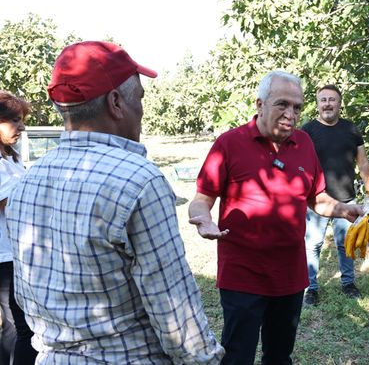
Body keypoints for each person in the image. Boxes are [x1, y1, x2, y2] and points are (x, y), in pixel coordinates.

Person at [5, 41, 224, 364]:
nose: (143, 111)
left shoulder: (27, 182)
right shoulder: (139, 181)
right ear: (116, 102)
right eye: (141, 99)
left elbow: (26, 298)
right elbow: (176, 315)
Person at [188, 71, 362, 365]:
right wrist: (203, 220)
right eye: (282, 104)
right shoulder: (229, 143)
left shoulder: (305, 143)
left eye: (297, 107)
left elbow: (315, 198)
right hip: (242, 273)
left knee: (280, 356)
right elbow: (202, 199)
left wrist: (343, 209)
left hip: (290, 274)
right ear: (260, 104)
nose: (291, 114)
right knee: (238, 355)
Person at [301, 84, 369, 305]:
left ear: (340, 103)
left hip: (346, 198)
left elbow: (363, 162)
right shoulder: (307, 131)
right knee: (313, 244)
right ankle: (310, 288)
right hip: (317, 200)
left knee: (346, 244)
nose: (327, 104)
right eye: (323, 100)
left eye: (332, 99)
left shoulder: (351, 129)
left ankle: (348, 283)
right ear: (317, 104)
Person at [0, 91, 37, 365]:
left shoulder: (10, 157)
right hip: (4, 256)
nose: (21, 127)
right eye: (14, 120)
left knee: (17, 326)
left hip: (17, 251)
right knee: (20, 328)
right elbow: (12, 201)